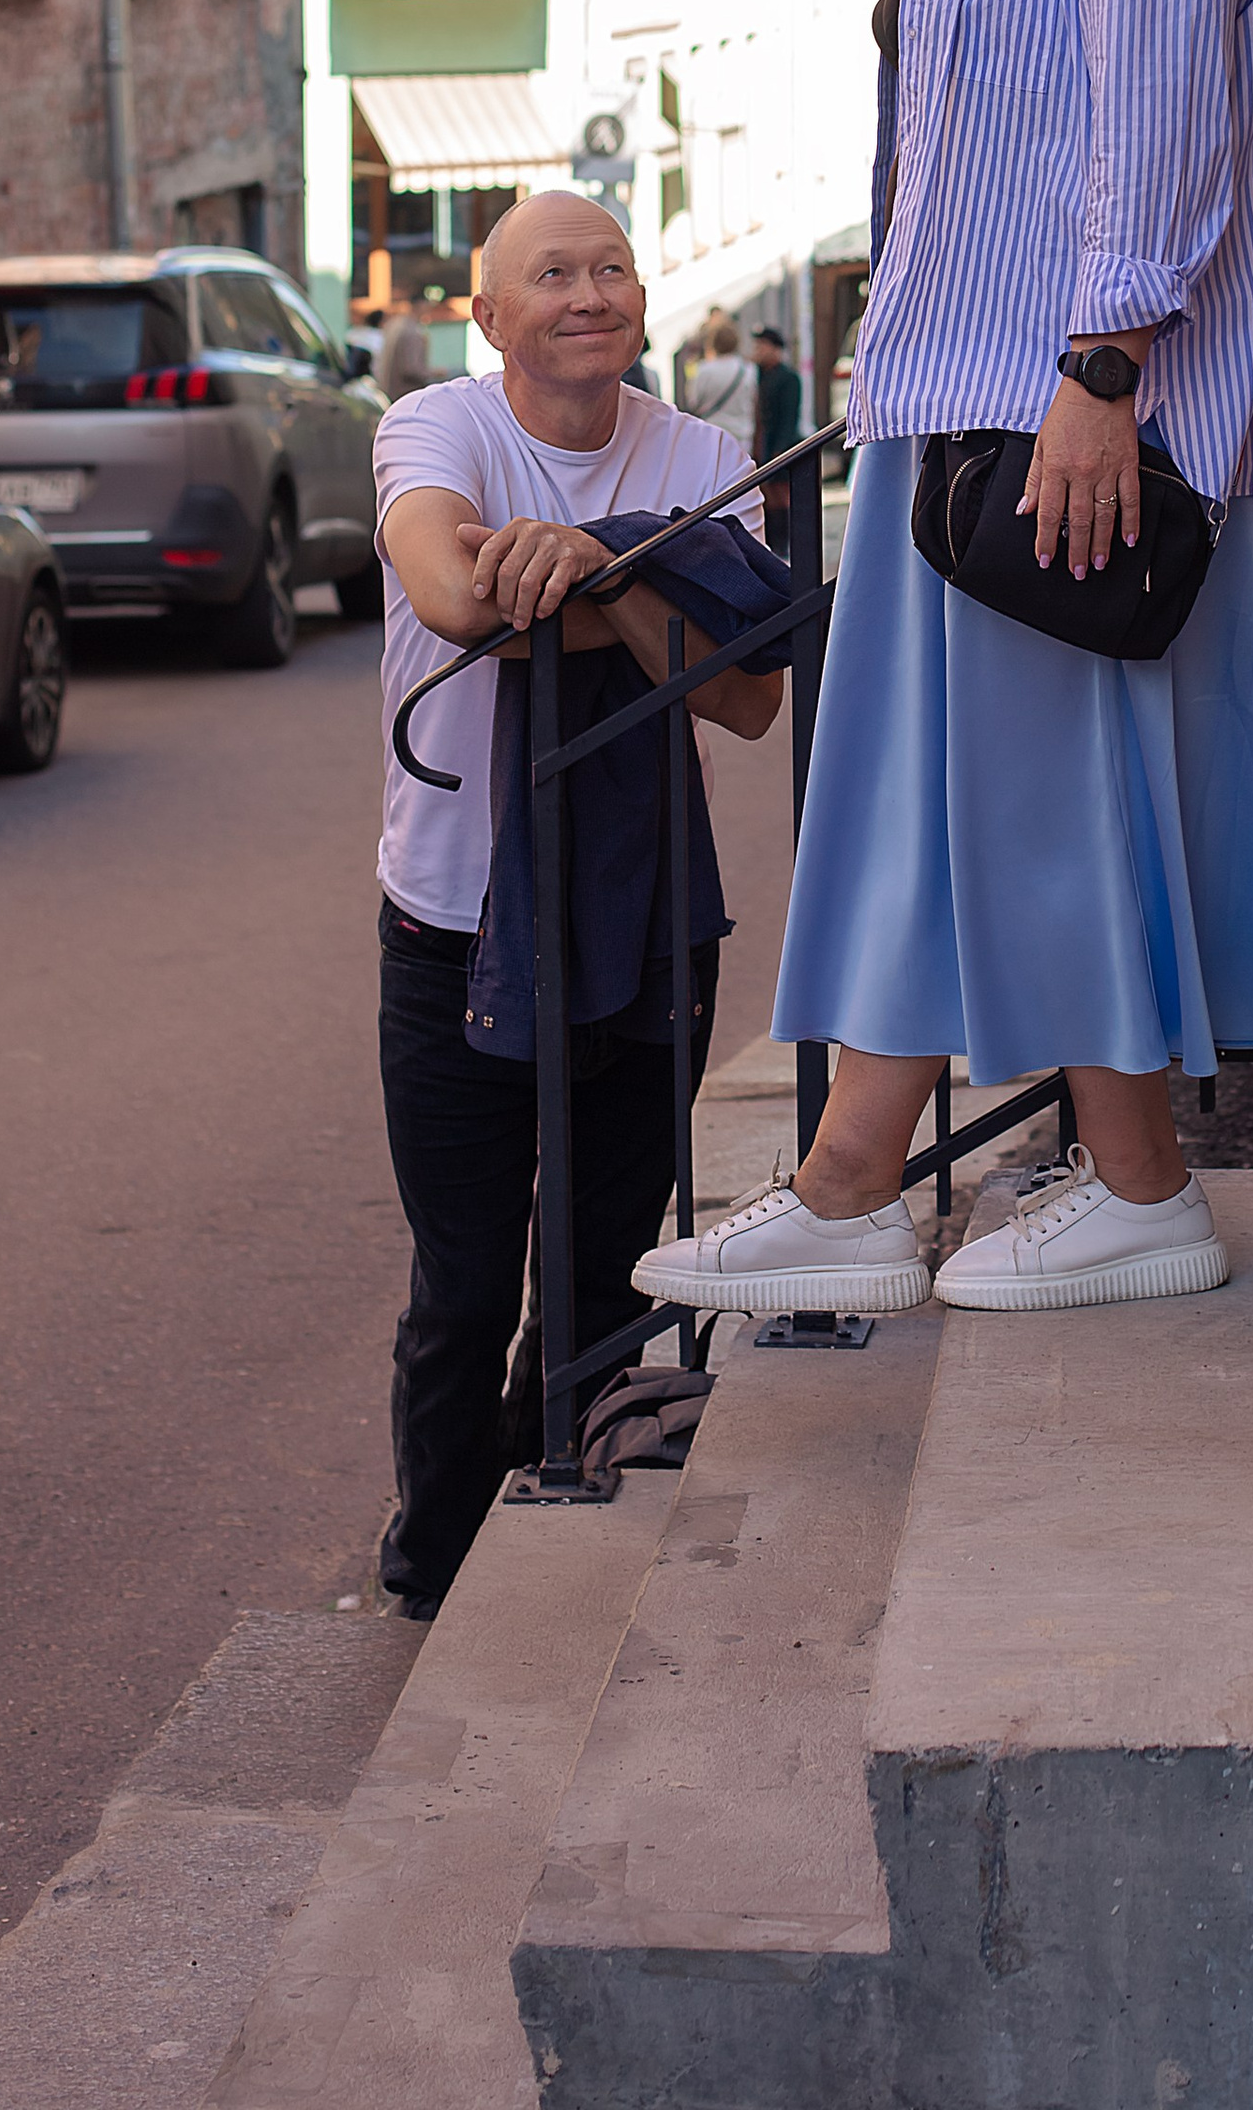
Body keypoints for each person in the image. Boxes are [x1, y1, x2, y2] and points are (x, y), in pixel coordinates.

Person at [636, 0, 1253, 1333]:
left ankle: (1127, 1191)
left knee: (1050, 819)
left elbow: (1160, 126)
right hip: (979, 412)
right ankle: (860, 1188)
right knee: (961, 822)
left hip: (1066, 430)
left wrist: (1101, 375)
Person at [371, 191, 782, 1615]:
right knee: (468, 1288)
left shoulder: (706, 455)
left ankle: (568, 1567)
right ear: (491, 317)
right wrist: (641, 570)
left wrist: (600, 565)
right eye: (552, 275)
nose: (588, 293)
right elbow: (447, 589)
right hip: (451, 924)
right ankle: (432, 1565)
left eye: (611, 267)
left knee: (605, 1277)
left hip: (641, 920)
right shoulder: (437, 428)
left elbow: (740, 695)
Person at [751, 321, 805, 553]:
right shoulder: (760, 376)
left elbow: (788, 417)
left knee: (781, 497)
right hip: (763, 445)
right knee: (766, 496)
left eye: (763, 345)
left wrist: (780, 449)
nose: (758, 350)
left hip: (780, 447)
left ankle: (785, 545)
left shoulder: (788, 378)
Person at [681, 311, 756, 461]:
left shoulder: (703, 370)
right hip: (742, 434)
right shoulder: (748, 369)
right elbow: (752, 400)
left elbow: (693, 402)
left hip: (713, 433)